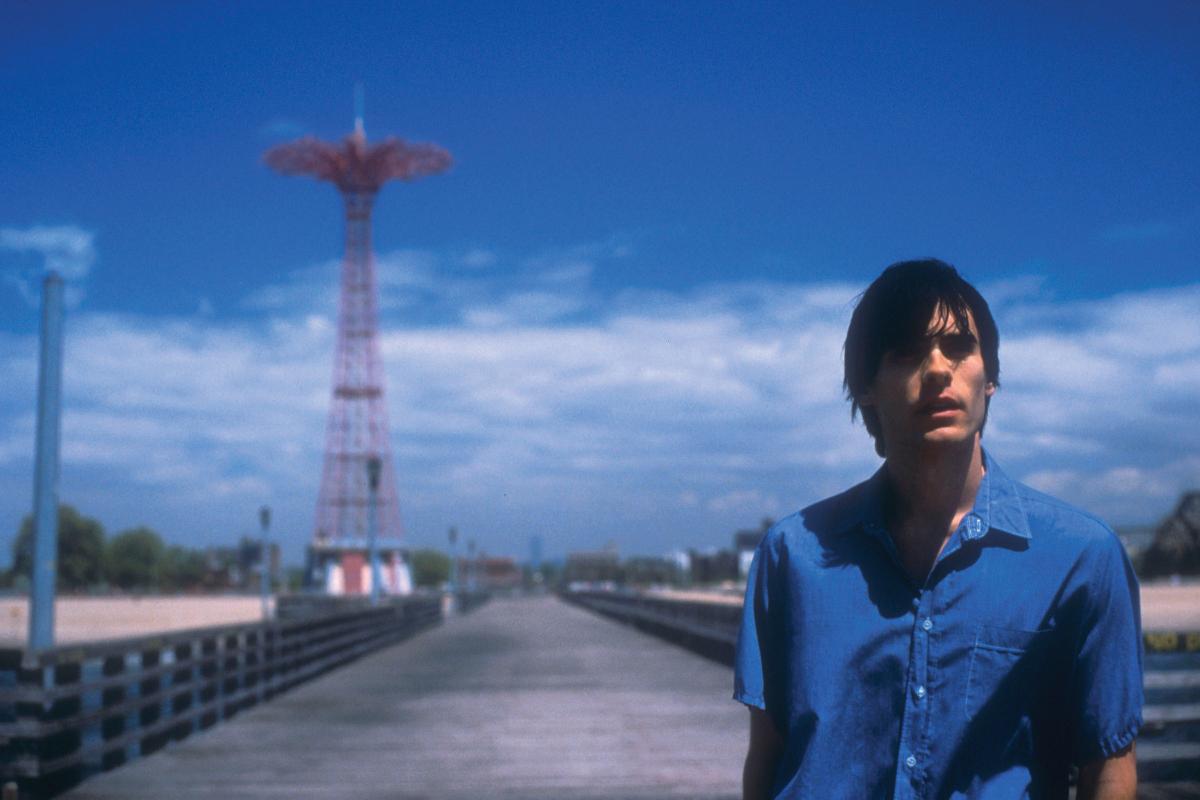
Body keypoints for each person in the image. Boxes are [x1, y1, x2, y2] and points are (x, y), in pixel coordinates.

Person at [735, 259, 1143, 799]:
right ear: (867, 390)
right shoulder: (794, 555)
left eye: (958, 347)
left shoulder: (1081, 558)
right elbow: (767, 757)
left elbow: (1107, 767)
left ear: (990, 377)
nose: (937, 369)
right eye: (905, 352)